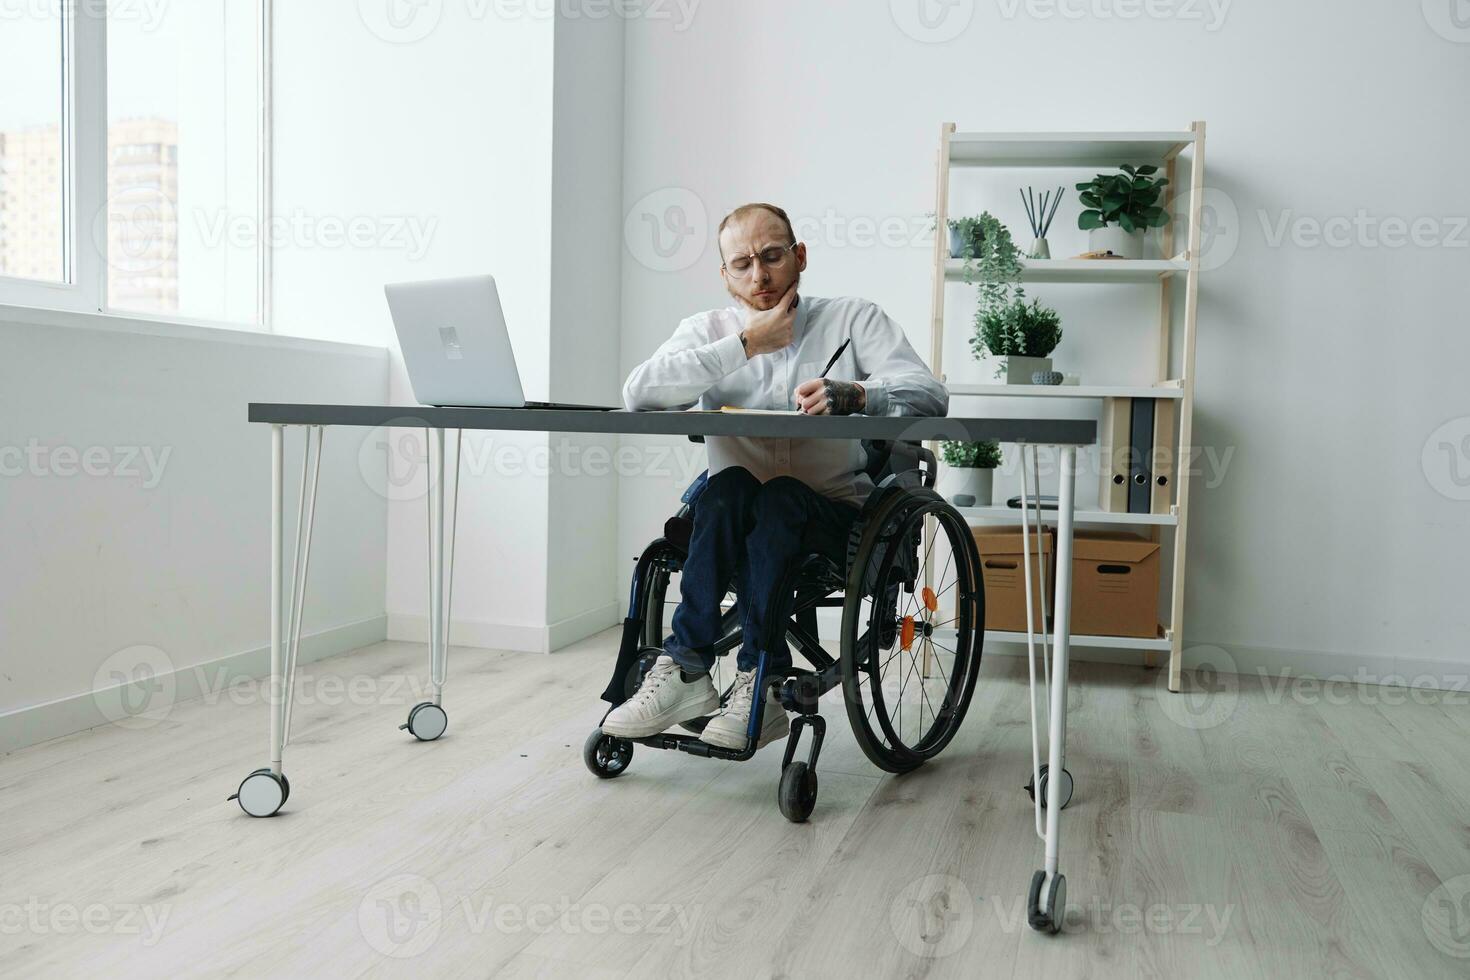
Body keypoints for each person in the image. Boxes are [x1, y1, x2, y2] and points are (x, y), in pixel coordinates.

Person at [603, 202, 948, 750]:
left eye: (771, 256)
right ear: (724, 275)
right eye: (741, 264)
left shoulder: (852, 319)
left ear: (799, 256)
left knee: (783, 494)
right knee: (730, 487)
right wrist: (744, 345)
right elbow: (638, 393)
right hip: (735, 519)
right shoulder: (707, 332)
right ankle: (687, 667)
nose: (759, 275)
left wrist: (858, 394)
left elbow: (930, 393)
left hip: (832, 519)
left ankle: (758, 682)